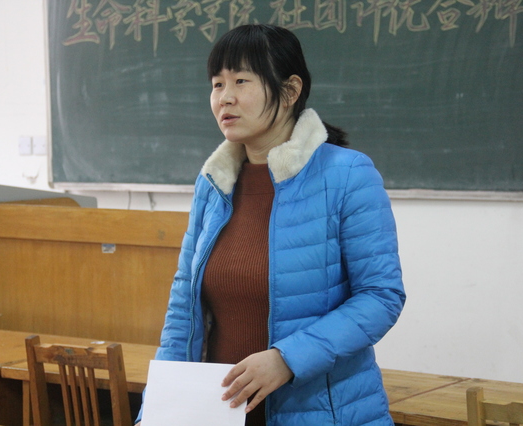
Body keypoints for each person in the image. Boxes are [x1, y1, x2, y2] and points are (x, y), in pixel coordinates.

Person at [135, 24, 405, 425]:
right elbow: (183, 308)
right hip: (218, 412)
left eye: (241, 81)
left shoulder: (347, 174)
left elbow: (381, 297)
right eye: (217, 84)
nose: (224, 98)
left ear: (290, 90)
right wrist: (156, 411)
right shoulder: (214, 182)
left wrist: (287, 359)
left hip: (319, 413)